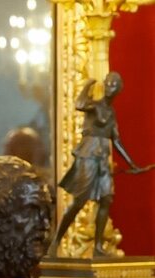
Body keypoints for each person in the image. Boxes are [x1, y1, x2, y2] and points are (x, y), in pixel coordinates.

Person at [48, 72, 143, 257]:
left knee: (106, 199)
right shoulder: (95, 105)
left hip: (102, 158)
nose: (109, 87)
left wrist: (132, 163)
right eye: (107, 83)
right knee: (79, 201)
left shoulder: (111, 112)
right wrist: (88, 85)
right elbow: (80, 104)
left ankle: (98, 247)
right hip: (88, 154)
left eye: (113, 85)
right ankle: (56, 240)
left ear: (119, 90)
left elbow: (116, 140)